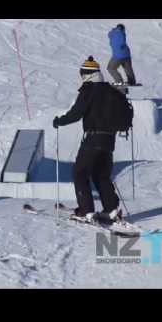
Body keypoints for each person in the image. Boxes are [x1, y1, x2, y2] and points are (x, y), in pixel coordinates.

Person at [53, 56, 121, 223]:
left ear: (87, 74)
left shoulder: (89, 89)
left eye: (82, 73)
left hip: (93, 138)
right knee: (101, 175)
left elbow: (77, 113)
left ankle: (86, 211)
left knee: (80, 173)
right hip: (109, 139)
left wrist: (59, 121)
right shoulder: (110, 90)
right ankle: (111, 209)